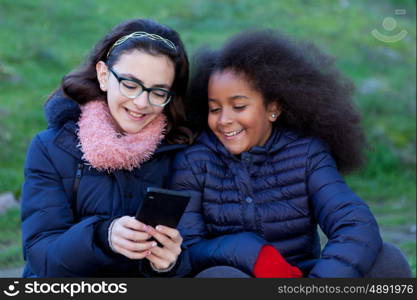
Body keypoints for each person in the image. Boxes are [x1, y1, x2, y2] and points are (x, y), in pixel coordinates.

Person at [171, 30, 412, 277]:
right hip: (238, 276)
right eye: (214, 109)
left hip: (301, 277)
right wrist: (248, 252)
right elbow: (187, 248)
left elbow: (355, 225)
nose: (224, 120)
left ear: (272, 108)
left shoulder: (307, 152)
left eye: (239, 106)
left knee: (388, 260)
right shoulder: (194, 161)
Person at [21, 18, 194, 277]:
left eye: (158, 92)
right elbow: (40, 257)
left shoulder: (181, 151)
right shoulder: (50, 148)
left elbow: (194, 250)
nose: (141, 102)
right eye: (130, 84)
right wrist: (104, 236)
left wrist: (170, 265)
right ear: (103, 75)